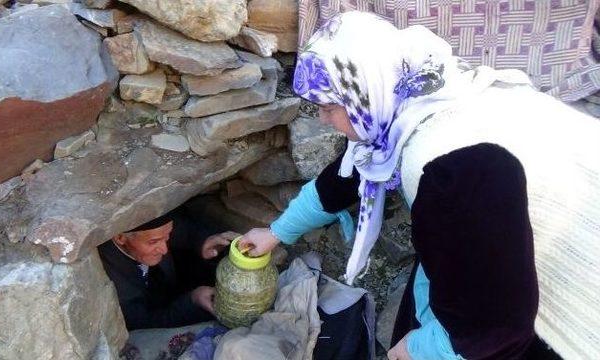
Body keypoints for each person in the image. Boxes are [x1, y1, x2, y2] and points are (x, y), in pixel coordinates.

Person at [238, 11, 558, 359]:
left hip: (546, 317)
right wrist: (277, 232)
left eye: (329, 107)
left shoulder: (444, 170)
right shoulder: (409, 97)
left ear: (364, 95)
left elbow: (495, 330)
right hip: (484, 269)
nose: (322, 119)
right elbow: (343, 180)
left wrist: (418, 348)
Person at [98, 208, 240, 331]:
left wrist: (203, 242)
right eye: (153, 242)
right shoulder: (110, 277)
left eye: (167, 237)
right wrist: (193, 300)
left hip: (168, 289)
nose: (164, 249)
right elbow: (143, 323)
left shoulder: (156, 231)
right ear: (120, 238)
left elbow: (185, 231)